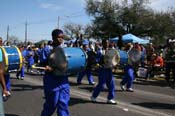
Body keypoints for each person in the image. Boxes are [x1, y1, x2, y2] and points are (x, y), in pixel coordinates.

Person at [41, 29, 70, 116]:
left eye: (62, 37)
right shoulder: (47, 49)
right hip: (51, 80)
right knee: (51, 104)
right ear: (53, 37)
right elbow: (42, 63)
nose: (61, 39)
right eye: (59, 37)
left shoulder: (65, 49)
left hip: (63, 79)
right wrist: (48, 67)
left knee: (63, 104)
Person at [91, 39, 117, 104]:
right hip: (103, 70)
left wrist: (114, 64)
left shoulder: (110, 51)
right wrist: (98, 64)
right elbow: (96, 60)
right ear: (103, 43)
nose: (107, 44)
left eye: (108, 43)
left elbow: (114, 59)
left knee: (111, 85)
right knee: (101, 85)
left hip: (109, 69)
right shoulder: (100, 51)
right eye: (105, 43)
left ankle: (110, 99)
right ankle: (93, 96)